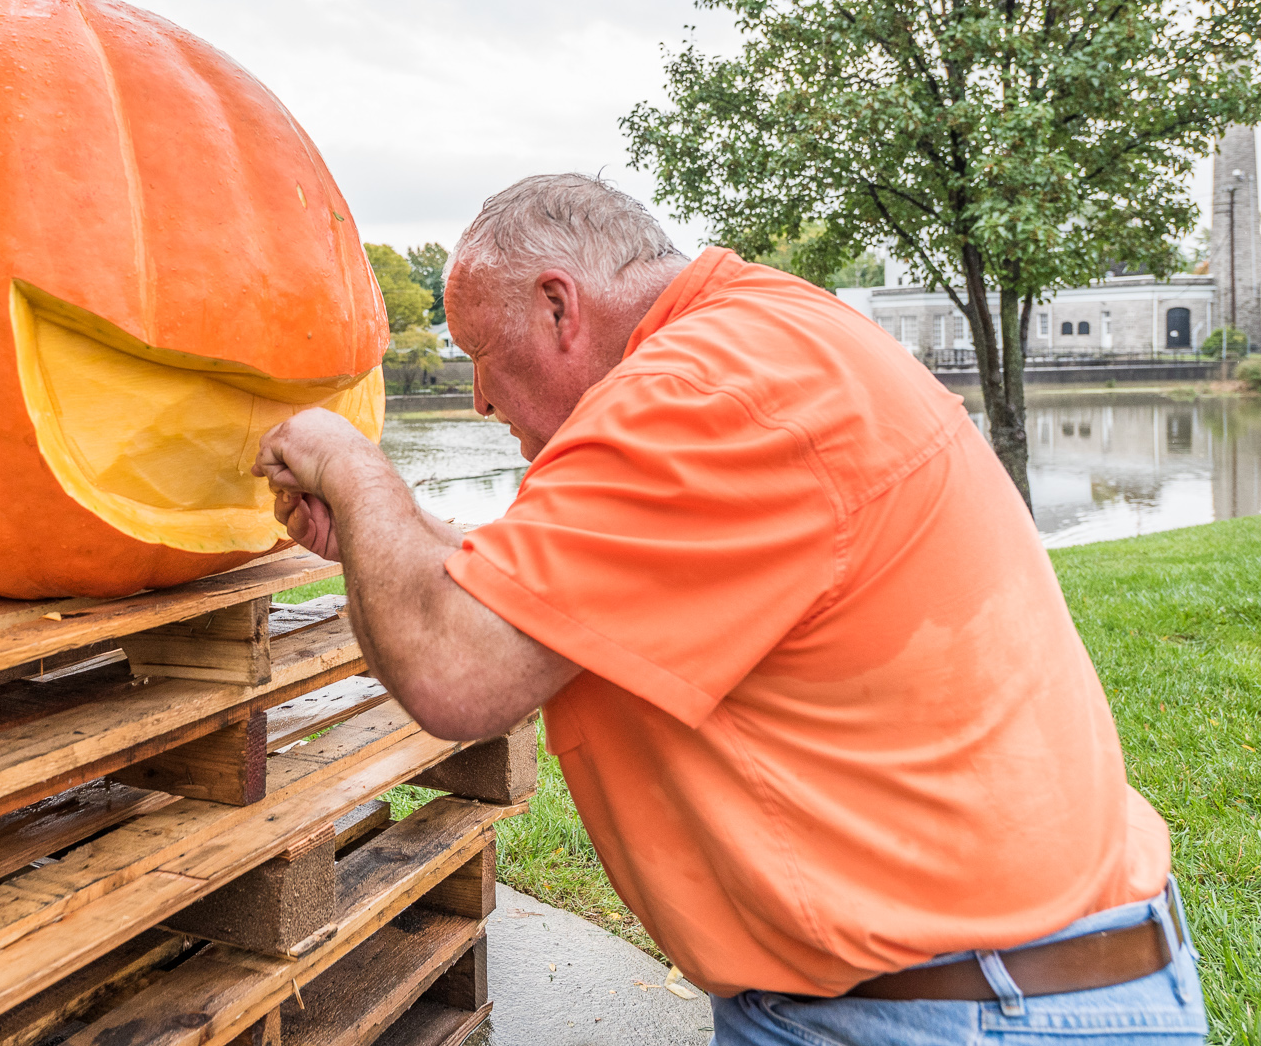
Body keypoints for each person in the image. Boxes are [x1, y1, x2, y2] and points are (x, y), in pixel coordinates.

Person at [253, 174, 1206, 1045]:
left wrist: (351, 463)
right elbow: (566, 580)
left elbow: (457, 670)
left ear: (557, 307)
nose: (479, 399)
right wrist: (394, 528)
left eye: (484, 355)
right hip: (975, 980)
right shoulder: (760, 336)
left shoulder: (703, 393)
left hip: (956, 1010)